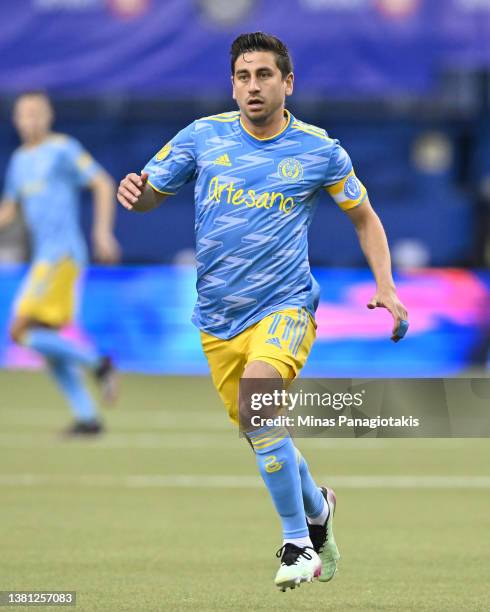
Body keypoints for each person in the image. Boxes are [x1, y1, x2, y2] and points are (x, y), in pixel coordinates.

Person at [117, 32, 409, 590]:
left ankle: (299, 543)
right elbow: (155, 190)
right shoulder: (202, 136)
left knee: (258, 403)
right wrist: (138, 192)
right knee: (263, 428)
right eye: (244, 77)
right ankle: (319, 509)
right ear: (233, 85)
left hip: (286, 306)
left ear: (287, 82)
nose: (253, 86)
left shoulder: (320, 150)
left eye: (265, 76)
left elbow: (365, 217)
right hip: (218, 316)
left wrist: (386, 285)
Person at [0, 91, 120, 436]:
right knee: (45, 341)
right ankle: (88, 418)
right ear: (16, 120)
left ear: (49, 116)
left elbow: (101, 182)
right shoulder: (20, 161)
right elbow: (10, 209)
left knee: (19, 330)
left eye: (37, 113)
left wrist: (102, 232)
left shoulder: (63, 149)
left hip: (62, 255)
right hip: (43, 258)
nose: (31, 120)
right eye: (24, 114)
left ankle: (99, 363)